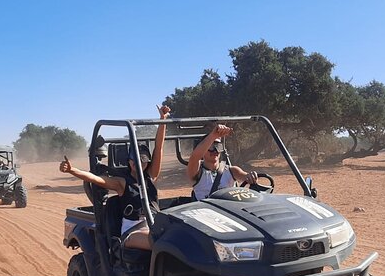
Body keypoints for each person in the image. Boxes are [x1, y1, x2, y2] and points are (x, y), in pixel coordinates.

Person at [59, 105, 171, 250]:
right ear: (129, 161)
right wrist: (72, 170)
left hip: (154, 224)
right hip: (133, 230)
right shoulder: (122, 183)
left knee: (180, 237)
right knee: (158, 242)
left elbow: (159, 147)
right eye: (134, 160)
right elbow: (95, 179)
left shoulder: (150, 176)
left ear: (147, 161)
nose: (138, 164)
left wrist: (162, 121)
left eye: (143, 161)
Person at [187, 124, 259, 200]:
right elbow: (195, 157)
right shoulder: (197, 172)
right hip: (207, 210)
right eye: (211, 147)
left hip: (227, 209)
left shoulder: (232, 171)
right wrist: (213, 135)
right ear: (203, 151)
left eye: (218, 146)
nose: (215, 150)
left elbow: (245, 177)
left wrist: (252, 177)